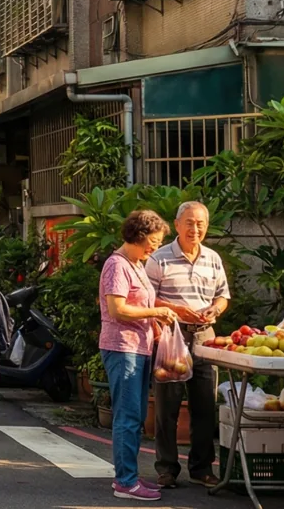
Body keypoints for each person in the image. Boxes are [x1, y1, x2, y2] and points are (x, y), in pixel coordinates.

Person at [146, 201, 230, 489]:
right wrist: (176, 310)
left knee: (205, 406)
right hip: (171, 336)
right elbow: (147, 299)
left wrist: (215, 310)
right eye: (190, 223)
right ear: (178, 224)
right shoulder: (159, 258)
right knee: (167, 406)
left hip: (206, 336)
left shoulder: (213, 258)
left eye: (201, 224)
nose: (196, 229)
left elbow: (223, 295)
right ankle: (167, 468)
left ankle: (202, 468)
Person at [100, 209, 179, 501]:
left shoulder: (135, 265)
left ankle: (129, 476)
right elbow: (117, 309)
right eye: (154, 241)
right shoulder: (117, 265)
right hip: (123, 347)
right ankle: (125, 481)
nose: (155, 248)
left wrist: (156, 322)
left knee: (135, 415)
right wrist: (155, 312)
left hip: (139, 347)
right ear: (140, 235)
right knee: (128, 416)